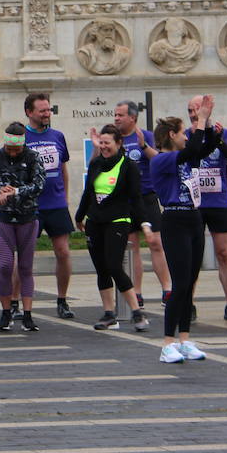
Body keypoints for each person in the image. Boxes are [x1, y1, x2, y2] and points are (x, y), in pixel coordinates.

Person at [150, 96, 223, 363]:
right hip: (174, 221)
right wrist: (200, 120)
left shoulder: (185, 157)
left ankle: (184, 339)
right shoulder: (161, 160)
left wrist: (214, 132)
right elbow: (192, 150)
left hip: (194, 218)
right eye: (182, 132)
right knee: (179, 285)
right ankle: (167, 343)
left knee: (189, 284)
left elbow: (201, 151)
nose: (186, 135)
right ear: (172, 135)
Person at [74, 125, 153, 331]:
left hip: (118, 221)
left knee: (114, 266)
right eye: (101, 143)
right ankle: (109, 313)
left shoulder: (129, 166)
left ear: (118, 144)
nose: (104, 147)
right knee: (101, 268)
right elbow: (88, 193)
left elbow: (137, 199)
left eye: (108, 143)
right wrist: (79, 216)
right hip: (94, 222)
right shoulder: (96, 164)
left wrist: (145, 224)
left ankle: (137, 312)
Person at [0, 123, 45, 332]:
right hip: (3, 218)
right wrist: (0, 190)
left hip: (27, 217)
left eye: (16, 149)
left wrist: (15, 192)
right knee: (6, 265)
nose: (12, 152)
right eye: (9, 148)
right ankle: (6, 311)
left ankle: (27, 314)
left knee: (25, 267)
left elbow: (39, 185)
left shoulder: (33, 157)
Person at [112, 100, 172, 305]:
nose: (117, 118)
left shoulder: (146, 136)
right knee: (132, 246)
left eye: (120, 115)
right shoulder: (115, 139)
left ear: (133, 118)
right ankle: (137, 292)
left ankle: (167, 288)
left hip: (147, 197)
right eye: (115, 115)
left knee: (156, 243)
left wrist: (144, 147)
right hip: (126, 201)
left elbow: (159, 161)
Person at [23, 93, 76, 320]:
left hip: (56, 204)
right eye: (42, 110)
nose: (47, 114)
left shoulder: (57, 136)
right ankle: (17, 303)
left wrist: (64, 197)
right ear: (29, 112)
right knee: (25, 256)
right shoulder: (20, 136)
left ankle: (62, 300)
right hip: (31, 205)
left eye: (48, 110)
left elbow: (63, 169)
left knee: (63, 252)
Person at [191, 98, 227, 321]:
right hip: (194, 202)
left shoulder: (223, 133)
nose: (193, 113)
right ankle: (188, 302)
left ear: (207, 110)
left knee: (223, 253)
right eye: (190, 110)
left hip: (218, 201)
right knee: (192, 256)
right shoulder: (187, 135)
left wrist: (218, 140)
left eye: (197, 109)